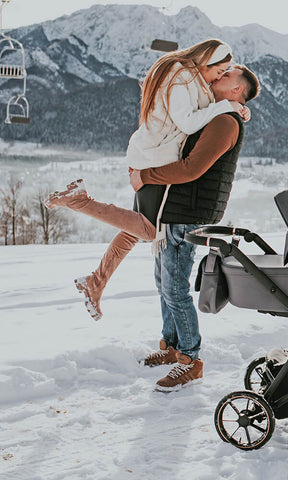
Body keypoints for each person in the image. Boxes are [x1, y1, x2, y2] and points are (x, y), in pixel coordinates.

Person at [46, 65, 261, 391]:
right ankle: (172, 346)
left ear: (236, 91)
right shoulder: (217, 113)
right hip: (174, 209)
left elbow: (192, 168)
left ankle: (191, 360)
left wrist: (145, 176)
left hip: (186, 212)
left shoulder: (224, 122)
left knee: (174, 288)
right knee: (164, 283)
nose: (220, 76)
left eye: (227, 76)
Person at [45, 39, 248, 321]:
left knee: (133, 228)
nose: (218, 75)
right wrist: (227, 104)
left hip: (155, 155)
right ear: (208, 60)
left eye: (225, 73)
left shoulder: (191, 77)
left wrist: (232, 106)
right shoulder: (181, 75)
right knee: (148, 230)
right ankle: (79, 201)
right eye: (221, 70)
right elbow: (189, 123)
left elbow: (202, 111)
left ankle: (96, 283)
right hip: (155, 158)